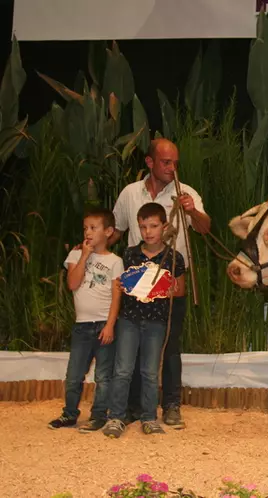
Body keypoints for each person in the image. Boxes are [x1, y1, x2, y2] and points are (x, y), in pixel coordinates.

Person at [110, 137, 211, 430]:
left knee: (170, 346)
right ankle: (132, 409)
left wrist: (192, 211)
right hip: (137, 288)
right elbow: (116, 230)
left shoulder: (186, 192)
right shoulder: (130, 193)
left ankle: (171, 405)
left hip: (170, 285)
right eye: (166, 162)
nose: (172, 168)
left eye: (175, 163)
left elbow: (205, 229)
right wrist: (92, 247)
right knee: (133, 349)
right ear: (150, 163)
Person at [103, 202, 186, 438]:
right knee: (123, 369)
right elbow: (121, 283)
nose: (148, 231)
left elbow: (181, 290)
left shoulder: (173, 257)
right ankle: (116, 417)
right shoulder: (129, 254)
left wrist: (171, 288)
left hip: (156, 323)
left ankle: (149, 418)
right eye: (143, 227)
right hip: (129, 319)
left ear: (165, 227)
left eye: (153, 226)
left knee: (150, 371)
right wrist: (121, 285)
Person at [48, 207, 123, 433]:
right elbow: (73, 284)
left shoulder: (115, 261)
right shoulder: (76, 254)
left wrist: (110, 325)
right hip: (82, 326)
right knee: (74, 375)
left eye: (93, 228)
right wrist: (84, 255)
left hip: (104, 325)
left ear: (108, 231)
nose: (88, 232)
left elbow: (116, 296)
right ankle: (69, 414)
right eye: (85, 228)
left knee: (103, 376)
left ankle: (98, 416)